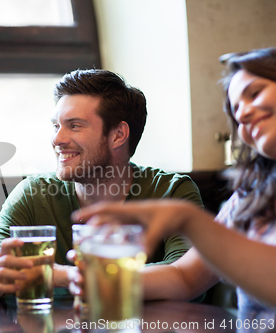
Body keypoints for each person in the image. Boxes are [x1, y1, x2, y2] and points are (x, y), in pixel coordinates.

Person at [71, 48, 276, 325]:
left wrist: (188, 219)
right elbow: (185, 277)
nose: (244, 114)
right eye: (235, 109)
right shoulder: (250, 195)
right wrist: (109, 279)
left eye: (254, 93)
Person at [0, 69, 203, 299]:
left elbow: (185, 274)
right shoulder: (32, 194)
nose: (57, 140)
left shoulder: (170, 192)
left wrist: (63, 274)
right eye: (56, 126)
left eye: (74, 125)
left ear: (118, 135)